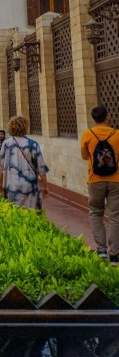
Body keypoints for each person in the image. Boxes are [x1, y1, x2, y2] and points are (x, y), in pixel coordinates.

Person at [80, 104, 119, 264]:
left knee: (96, 213)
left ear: (93, 118)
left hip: (95, 179)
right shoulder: (117, 134)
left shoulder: (88, 134)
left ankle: (101, 250)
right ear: (107, 116)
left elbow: (84, 156)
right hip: (115, 180)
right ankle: (115, 255)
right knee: (115, 216)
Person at [0, 115, 49, 210]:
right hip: (30, 186)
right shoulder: (32, 144)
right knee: (31, 215)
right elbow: (41, 168)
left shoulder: (6, 144)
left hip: (11, 185)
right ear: (25, 127)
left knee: (14, 215)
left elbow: (1, 166)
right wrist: (45, 186)